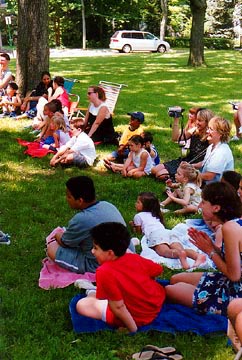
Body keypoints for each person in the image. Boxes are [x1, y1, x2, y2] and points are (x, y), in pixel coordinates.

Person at [165, 182, 242, 316]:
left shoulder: (230, 228)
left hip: (235, 293)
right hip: (228, 282)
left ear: (216, 208)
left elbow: (234, 275)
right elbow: (234, 259)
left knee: (170, 290)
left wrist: (210, 251)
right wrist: (211, 247)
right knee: (175, 279)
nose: (200, 206)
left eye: (203, 202)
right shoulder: (233, 223)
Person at [76, 222, 166, 332]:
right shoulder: (134, 258)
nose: (92, 251)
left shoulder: (104, 272)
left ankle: (90, 291)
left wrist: (132, 329)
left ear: (110, 253)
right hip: (155, 303)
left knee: (82, 305)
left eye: (95, 248)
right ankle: (91, 291)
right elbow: (158, 270)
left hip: (135, 317)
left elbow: (118, 307)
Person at [46, 176, 128, 274]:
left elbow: (65, 242)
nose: (66, 199)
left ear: (80, 201)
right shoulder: (107, 205)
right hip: (125, 254)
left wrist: (57, 235)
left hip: (99, 263)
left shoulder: (82, 219)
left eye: (69, 197)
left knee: (52, 248)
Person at [130, 192, 206, 270]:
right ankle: (197, 256)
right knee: (180, 249)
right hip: (168, 232)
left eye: (138, 202)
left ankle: (180, 255)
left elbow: (138, 232)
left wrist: (133, 226)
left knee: (165, 252)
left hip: (155, 234)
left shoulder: (138, 216)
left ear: (145, 205)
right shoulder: (155, 213)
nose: (135, 204)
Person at [151, 108, 214, 181]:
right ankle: (177, 177)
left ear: (207, 122)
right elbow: (175, 138)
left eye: (200, 120)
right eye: (197, 119)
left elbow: (208, 160)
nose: (197, 122)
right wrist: (176, 119)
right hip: (186, 160)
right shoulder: (194, 130)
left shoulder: (209, 137)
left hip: (195, 165)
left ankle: (179, 179)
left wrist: (192, 166)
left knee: (160, 175)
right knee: (154, 170)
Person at [193, 116, 234, 184]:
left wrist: (189, 176)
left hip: (219, 189)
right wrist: (190, 165)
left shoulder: (221, 152)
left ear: (220, 133)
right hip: (209, 185)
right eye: (208, 128)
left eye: (211, 129)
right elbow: (204, 163)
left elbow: (209, 176)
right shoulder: (212, 146)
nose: (207, 131)